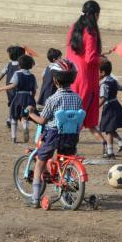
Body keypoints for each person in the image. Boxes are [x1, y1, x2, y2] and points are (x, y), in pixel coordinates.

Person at [25, 59, 83, 208]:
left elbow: (43, 120)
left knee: (40, 162)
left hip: (54, 135)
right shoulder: (77, 98)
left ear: (55, 80)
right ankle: (66, 192)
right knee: (64, 162)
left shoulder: (53, 99)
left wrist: (31, 114)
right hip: (71, 136)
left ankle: (35, 199)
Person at [66, 0, 109, 152]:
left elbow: (71, 52)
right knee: (79, 115)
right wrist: (102, 59)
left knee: (70, 113)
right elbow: (90, 59)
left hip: (71, 76)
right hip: (85, 78)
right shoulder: (91, 31)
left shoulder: (74, 27)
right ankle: (70, 147)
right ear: (96, 15)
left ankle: (68, 145)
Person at [0, 55, 37, 144]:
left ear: (19, 65)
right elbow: (34, 90)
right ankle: (25, 126)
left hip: (18, 97)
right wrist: (31, 98)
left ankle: (14, 138)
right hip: (29, 98)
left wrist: (0, 89)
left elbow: (13, 85)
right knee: (24, 116)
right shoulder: (32, 76)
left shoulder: (17, 73)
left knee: (14, 116)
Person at [99, 60, 122, 159]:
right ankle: (121, 143)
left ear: (103, 72)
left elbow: (103, 98)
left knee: (108, 130)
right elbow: (120, 87)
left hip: (109, 108)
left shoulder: (104, 84)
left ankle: (110, 152)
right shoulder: (112, 80)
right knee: (110, 128)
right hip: (116, 105)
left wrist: (97, 107)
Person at [0, 45, 25, 128]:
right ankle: (17, 119)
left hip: (9, 89)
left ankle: (10, 118)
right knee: (20, 104)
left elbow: (2, 73)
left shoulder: (8, 65)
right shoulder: (22, 64)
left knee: (11, 103)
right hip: (20, 88)